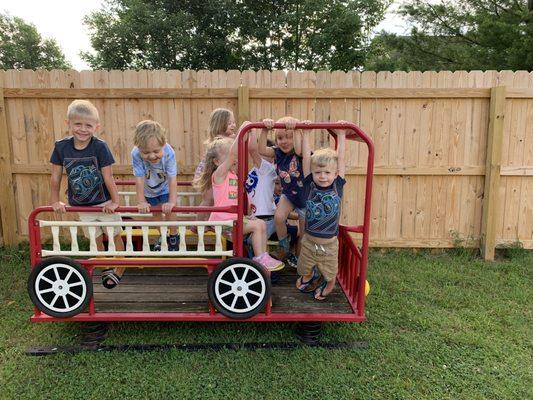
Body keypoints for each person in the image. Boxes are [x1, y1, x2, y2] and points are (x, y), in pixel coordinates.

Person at [49, 99, 125, 289]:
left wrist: (115, 202)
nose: (83, 129)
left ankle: (120, 267)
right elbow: (55, 177)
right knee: (95, 237)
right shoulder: (61, 147)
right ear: (68, 123)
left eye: (88, 125)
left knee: (114, 234)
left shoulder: (99, 146)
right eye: (78, 124)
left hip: (103, 201)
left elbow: (108, 176)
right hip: (82, 204)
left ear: (96, 127)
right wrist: (55, 200)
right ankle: (105, 265)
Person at [193, 135, 284, 271]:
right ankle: (260, 258)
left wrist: (249, 215)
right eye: (230, 156)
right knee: (258, 226)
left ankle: (263, 256)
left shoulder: (234, 175)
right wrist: (243, 131)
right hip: (224, 222)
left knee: (261, 224)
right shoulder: (219, 175)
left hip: (233, 220)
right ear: (217, 162)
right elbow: (232, 155)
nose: (235, 159)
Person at [295, 125, 347, 300]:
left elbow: (341, 160)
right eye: (318, 172)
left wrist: (341, 135)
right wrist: (307, 134)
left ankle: (330, 283)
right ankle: (308, 276)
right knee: (303, 266)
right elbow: (306, 163)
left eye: (327, 172)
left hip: (329, 243)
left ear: (335, 174)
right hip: (309, 240)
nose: (322, 176)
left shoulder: (337, 186)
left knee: (330, 270)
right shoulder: (310, 185)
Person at [258, 117, 307, 268]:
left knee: (304, 234)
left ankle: (301, 260)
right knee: (279, 217)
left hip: (305, 196)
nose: (284, 141)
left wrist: (297, 129)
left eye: (289, 137)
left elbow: (298, 149)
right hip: (289, 194)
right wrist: (265, 129)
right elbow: (261, 150)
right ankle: (284, 248)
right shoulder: (277, 152)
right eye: (280, 138)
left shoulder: (300, 152)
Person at [132, 120, 179, 251]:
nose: (152, 156)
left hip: (165, 187)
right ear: (139, 148)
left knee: (170, 212)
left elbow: (172, 177)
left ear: (163, 144)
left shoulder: (169, 152)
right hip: (149, 190)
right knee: (156, 214)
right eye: (146, 153)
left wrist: (172, 201)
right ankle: (162, 236)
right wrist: (141, 201)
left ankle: (174, 236)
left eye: (156, 151)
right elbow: (139, 178)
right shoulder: (135, 154)